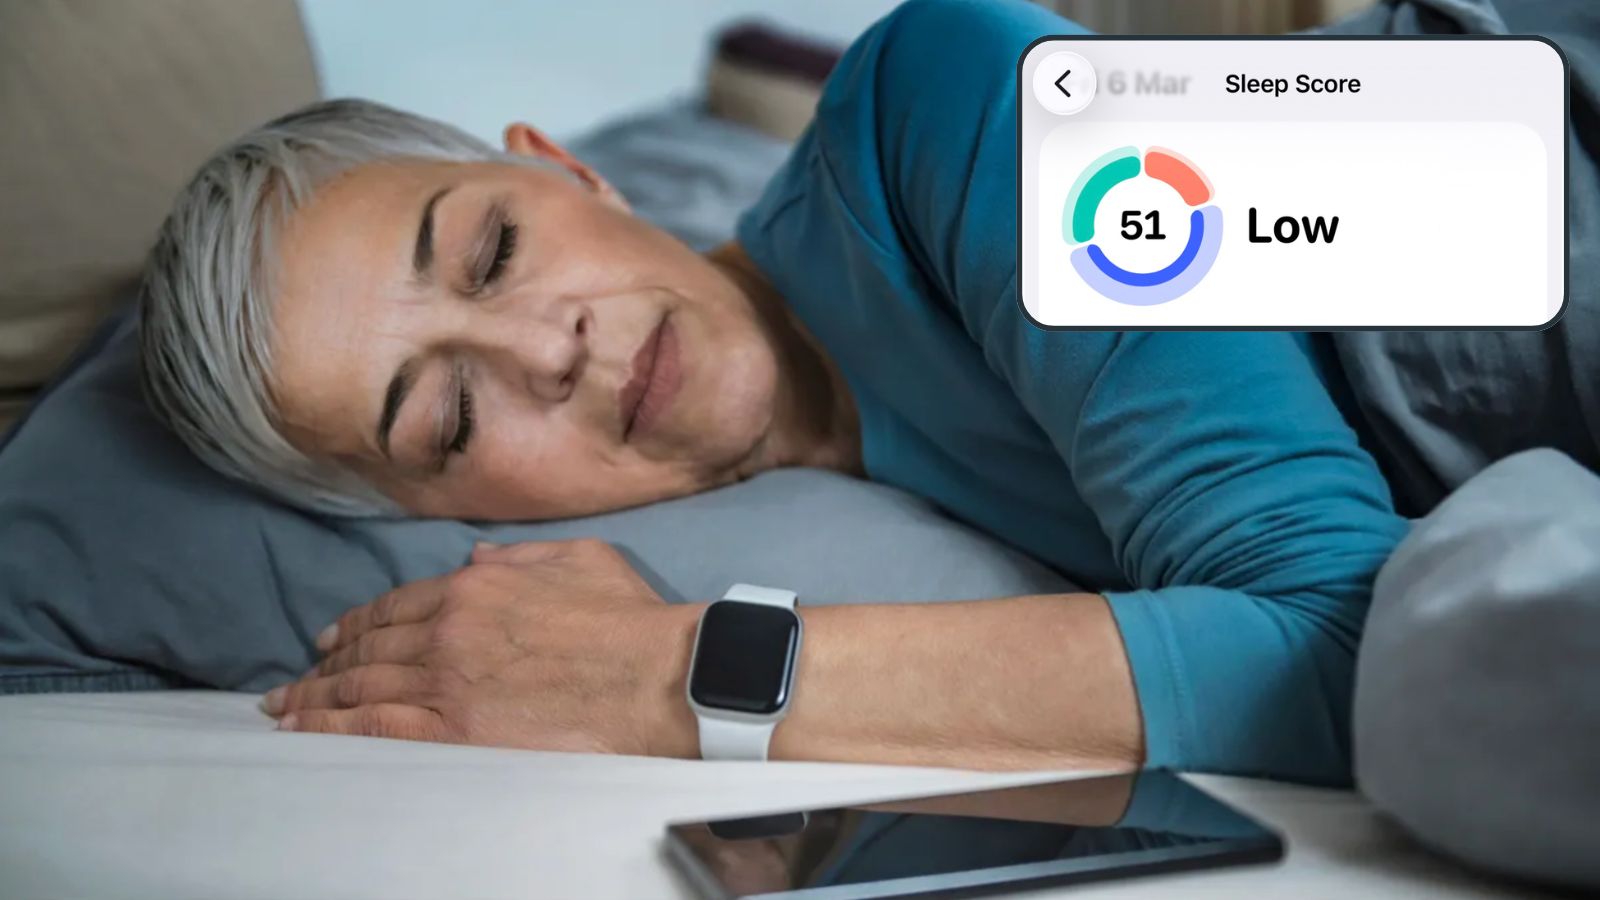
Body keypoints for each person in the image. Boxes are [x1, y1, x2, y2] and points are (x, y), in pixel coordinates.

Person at [138, 0, 1408, 784]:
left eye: (494, 250)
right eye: (447, 417)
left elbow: (1370, 648)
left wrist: (658, 676)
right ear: (434, 514)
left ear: (568, 169)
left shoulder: (944, 87)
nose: (543, 350)